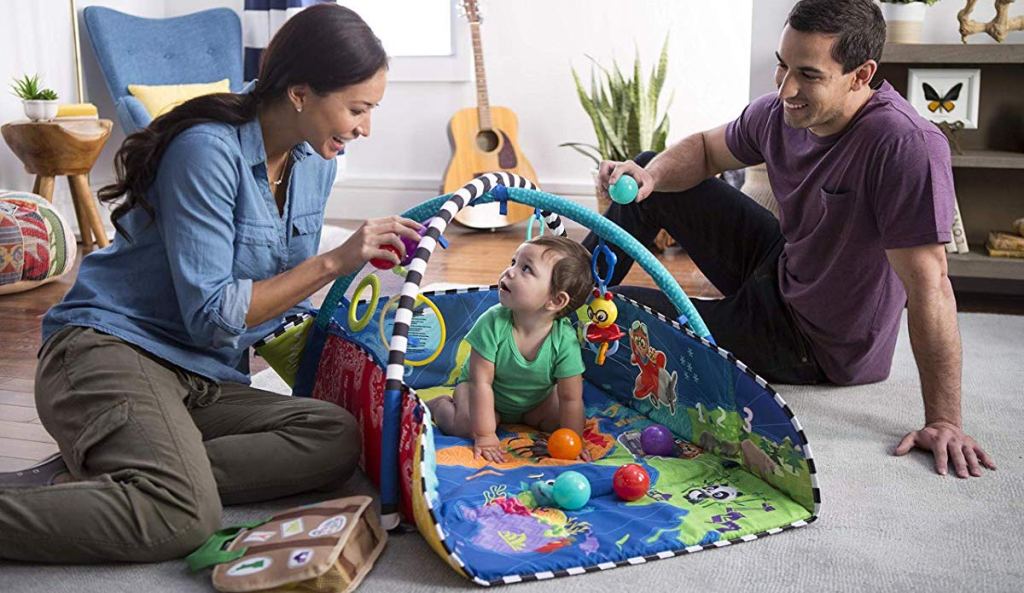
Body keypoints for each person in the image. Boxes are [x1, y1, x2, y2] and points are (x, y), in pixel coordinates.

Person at [0, 4, 424, 563]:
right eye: (357, 108)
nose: (366, 127)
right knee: (183, 516)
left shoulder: (315, 160)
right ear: (300, 94)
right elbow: (214, 312)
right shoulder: (207, 150)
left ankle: (140, 467)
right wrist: (333, 263)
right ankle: (158, 479)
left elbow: (264, 296)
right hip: (109, 350)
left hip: (202, 372)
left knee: (334, 437)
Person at [583, 0, 995, 479]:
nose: (786, 88)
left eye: (808, 74)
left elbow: (930, 286)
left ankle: (561, 307)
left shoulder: (904, 147)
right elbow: (704, 149)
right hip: (782, 267)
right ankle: (557, 281)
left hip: (813, 342)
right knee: (652, 168)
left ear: (861, 75)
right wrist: (648, 179)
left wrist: (944, 420)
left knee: (613, 312)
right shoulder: (781, 112)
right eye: (782, 66)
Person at [427, 236, 594, 464]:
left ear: (555, 301)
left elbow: (571, 397)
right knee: (468, 427)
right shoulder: (492, 323)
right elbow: (481, 383)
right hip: (484, 394)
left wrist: (574, 441)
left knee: (563, 419)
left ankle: (528, 418)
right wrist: (485, 436)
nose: (510, 272)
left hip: (536, 401)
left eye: (526, 269)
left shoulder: (565, 340)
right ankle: (439, 406)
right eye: (514, 261)